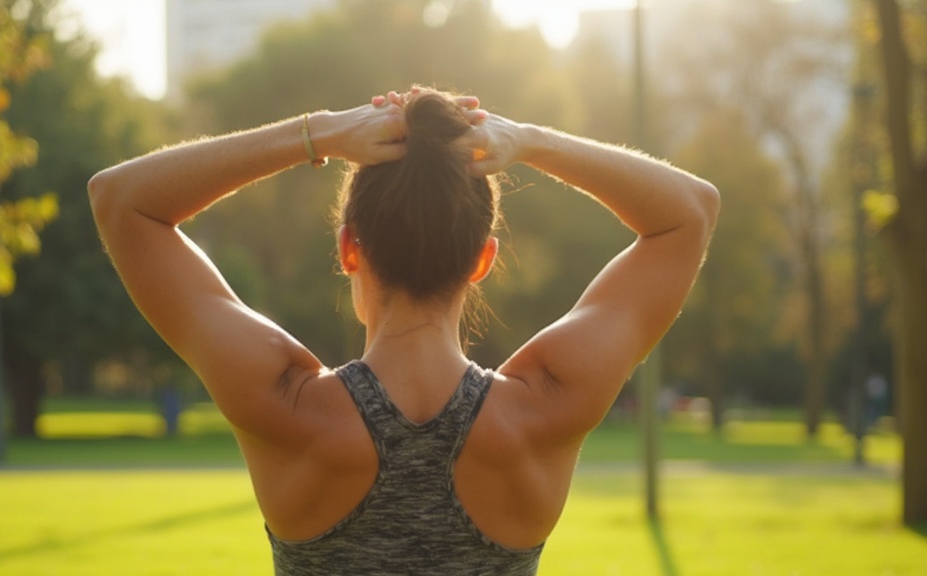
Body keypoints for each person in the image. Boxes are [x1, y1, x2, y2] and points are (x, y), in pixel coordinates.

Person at [89, 87, 719, 575]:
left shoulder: (286, 406)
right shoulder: (544, 407)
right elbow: (689, 212)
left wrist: (322, 134)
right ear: (482, 259)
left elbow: (122, 200)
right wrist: (526, 140)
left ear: (348, 249)